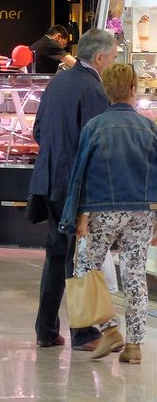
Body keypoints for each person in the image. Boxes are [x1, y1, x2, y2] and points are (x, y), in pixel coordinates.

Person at [60, 63, 157, 364]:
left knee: (86, 268)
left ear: (106, 91)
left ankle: (109, 329)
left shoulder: (95, 126)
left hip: (102, 209)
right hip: (141, 211)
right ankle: (135, 346)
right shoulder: (150, 128)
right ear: (133, 89)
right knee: (135, 276)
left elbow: (81, 175)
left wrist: (77, 215)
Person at [28, 27, 117, 351]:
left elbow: (37, 130)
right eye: (113, 57)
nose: (112, 63)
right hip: (74, 186)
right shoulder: (93, 88)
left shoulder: (58, 81)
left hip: (49, 181)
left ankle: (46, 330)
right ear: (99, 57)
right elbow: (96, 141)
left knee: (56, 257)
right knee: (77, 259)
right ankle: (84, 333)